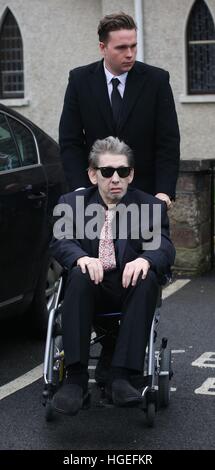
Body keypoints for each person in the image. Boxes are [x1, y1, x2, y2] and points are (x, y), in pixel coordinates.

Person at [59, 11, 180, 385]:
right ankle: (95, 364)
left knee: (137, 264)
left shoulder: (155, 80)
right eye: (122, 47)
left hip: (140, 197)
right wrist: (81, 188)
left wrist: (163, 192)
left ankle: (118, 360)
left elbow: (167, 141)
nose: (130, 53)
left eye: (134, 45)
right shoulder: (80, 80)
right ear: (103, 48)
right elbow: (69, 141)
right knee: (90, 268)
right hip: (95, 195)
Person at [50, 137, 175, 416]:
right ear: (93, 174)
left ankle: (121, 376)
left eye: (122, 171)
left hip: (129, 288)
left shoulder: (149, 207)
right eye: (107, 171)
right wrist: (81, 257)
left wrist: (145, 258)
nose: (115, 178)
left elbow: (164, 245)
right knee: (79, 274)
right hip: (89, 287)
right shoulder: (72, 203)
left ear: (131, 174)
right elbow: (60, 240)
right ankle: (76, 379)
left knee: (147, 277)